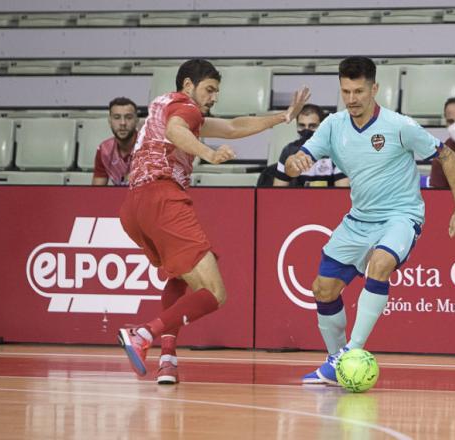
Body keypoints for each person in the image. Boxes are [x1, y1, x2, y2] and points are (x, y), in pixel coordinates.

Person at [117, 58, 310, 384]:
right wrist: (208, 154)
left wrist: (282, 117)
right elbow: (177, 132)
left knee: (179, 278)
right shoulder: (186, 109)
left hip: (134, 207)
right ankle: (142, 334)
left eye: (216, 92)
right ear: (188, 86)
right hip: (163, 199)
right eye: (209, 89)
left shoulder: (164, 105)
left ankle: (167, 360)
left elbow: (234, 126)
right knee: (214, 293)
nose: (213, 97)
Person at [284, 56, 455, 385]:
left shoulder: (400, 126)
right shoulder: (332, 125)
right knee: (323, 290)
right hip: (359, 219)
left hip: (401, 215)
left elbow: (447, 155)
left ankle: (351, 353)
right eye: (346, 91)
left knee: (380, 263)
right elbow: (303, 155)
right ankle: (336, 363)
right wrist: (296, 161)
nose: (352, 99)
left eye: (359, 91)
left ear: (375, 89)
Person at [273, 104, 349, 187]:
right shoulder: (289, 151)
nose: (306, 130)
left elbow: (342, 192)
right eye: (302, 126)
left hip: (328, 199)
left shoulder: (337, 151)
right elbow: (278, 191)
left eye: (312, 126)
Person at [92, 97, 139, 186]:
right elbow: (96, 191)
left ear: (136, 120)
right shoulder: (104, 150)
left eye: (128, 117)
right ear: (110, 121)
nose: (123, 123)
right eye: (117, 117)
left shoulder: (150, 147)